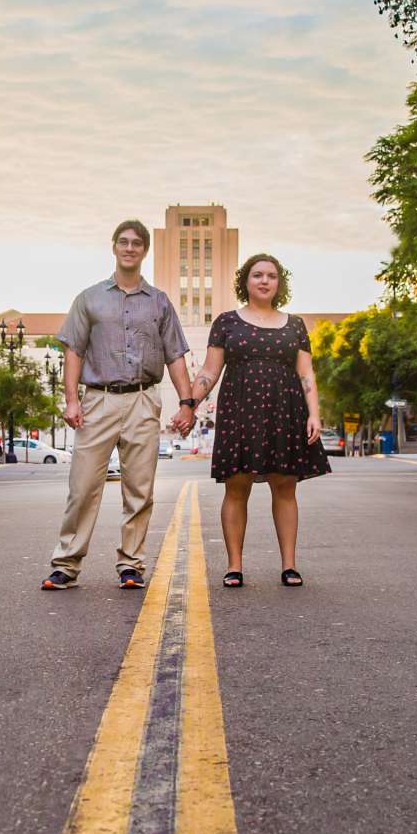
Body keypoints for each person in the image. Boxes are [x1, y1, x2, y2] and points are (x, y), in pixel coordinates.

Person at [43, 220, 202, 590]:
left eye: (137, 244)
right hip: (97, 400)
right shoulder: (89, 298)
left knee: (140, 489)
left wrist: (187, 403)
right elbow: (74, 351)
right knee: (82, 487)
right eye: (123, 242)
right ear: (114, 247)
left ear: (144, 251)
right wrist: (71, 400)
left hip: (144, 399)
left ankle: (131, 564)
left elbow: (176, 356)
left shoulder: (160, 302)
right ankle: (66, 564)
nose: (130, 248)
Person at [190, 253, 329, 587]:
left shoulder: (295, 324)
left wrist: (314, 413)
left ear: (279, 283)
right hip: (239, 410)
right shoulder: (226, 322)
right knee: (237, 486)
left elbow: (306, 373)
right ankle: (234, 566)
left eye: (271, 275)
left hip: (286, 411)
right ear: (246, 281)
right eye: (257, 275)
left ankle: (289, 565)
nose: (265, 280)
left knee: (285, 485)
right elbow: (210, 372)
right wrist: (188, 404)